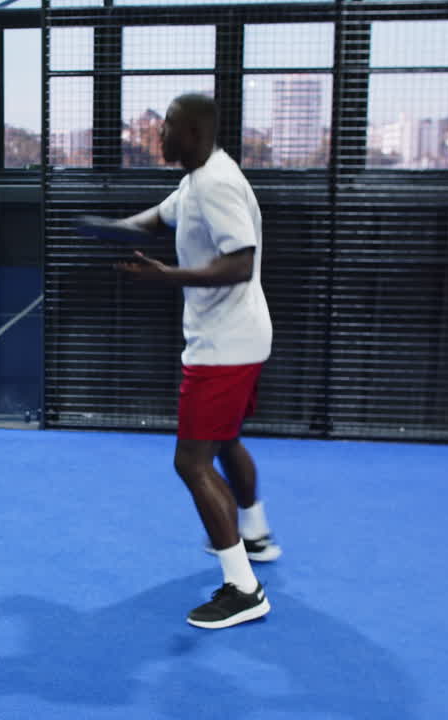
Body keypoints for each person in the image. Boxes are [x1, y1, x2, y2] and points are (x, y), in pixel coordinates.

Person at [75, 92, 280, 630]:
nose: (158, 135)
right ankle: (255, 535)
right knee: (226, 439)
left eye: (166, 127)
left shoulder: (215, 185)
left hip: (223, 347)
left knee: (190, 462)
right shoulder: (196, 180)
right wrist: (106, 228)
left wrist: (167, 277)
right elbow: (157, 219)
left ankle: (243, 588)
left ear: (192, 133)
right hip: (240, 340)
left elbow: (240, 263)